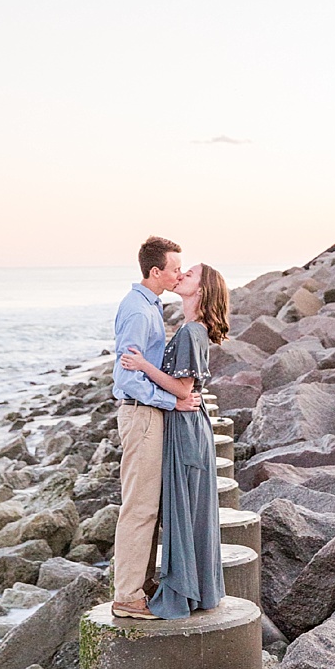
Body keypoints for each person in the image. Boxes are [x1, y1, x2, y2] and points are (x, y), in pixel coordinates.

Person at [119, 263, 230, 618]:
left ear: (201, 289)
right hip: (185, 423)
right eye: (180, 269)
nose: (181, 275)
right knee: (182, 508)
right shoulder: (190, 329)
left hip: (185, 426)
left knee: (183, 508)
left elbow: (183, 389)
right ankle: (191, 586)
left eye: (190, 273)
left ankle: (183, 589)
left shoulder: (189, 333)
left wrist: (143, 365)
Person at [110, 236, 197, 620]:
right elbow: (124, 376)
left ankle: (137, 588)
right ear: (155, 271)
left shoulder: (148, 306)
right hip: (141, 414)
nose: (179, 273)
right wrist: (172, 401)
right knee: (140, 508)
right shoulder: (139, 312)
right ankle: (127, 595)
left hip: (146, 413)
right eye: (175, 268)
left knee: (148, 506)